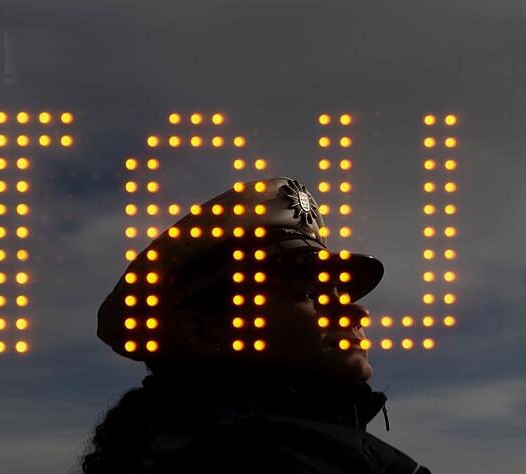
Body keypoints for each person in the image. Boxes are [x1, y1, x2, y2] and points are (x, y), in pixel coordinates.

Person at [80, 177, 431, 474]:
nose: (356, 313)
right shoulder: (300, 459)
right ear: (201, 332)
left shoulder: (163, 447)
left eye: (339, 292)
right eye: (307, 293)